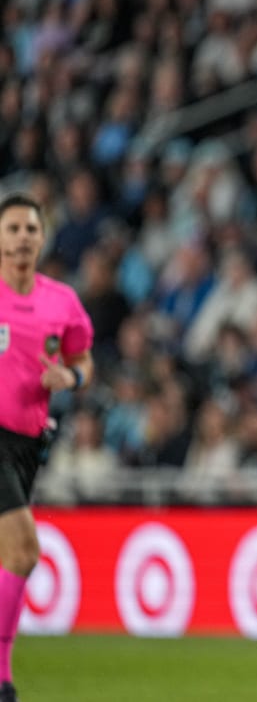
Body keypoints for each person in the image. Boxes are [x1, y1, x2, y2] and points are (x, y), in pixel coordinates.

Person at [0, 193, 95, 702]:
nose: (21, 238)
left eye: (30, 230)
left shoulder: (61, 302)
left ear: (42, 237)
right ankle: (2, 678)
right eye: (12, 228)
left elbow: (85, 357)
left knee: (8, 557)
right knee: (23, 548)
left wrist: (72, 376)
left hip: (29, 441)